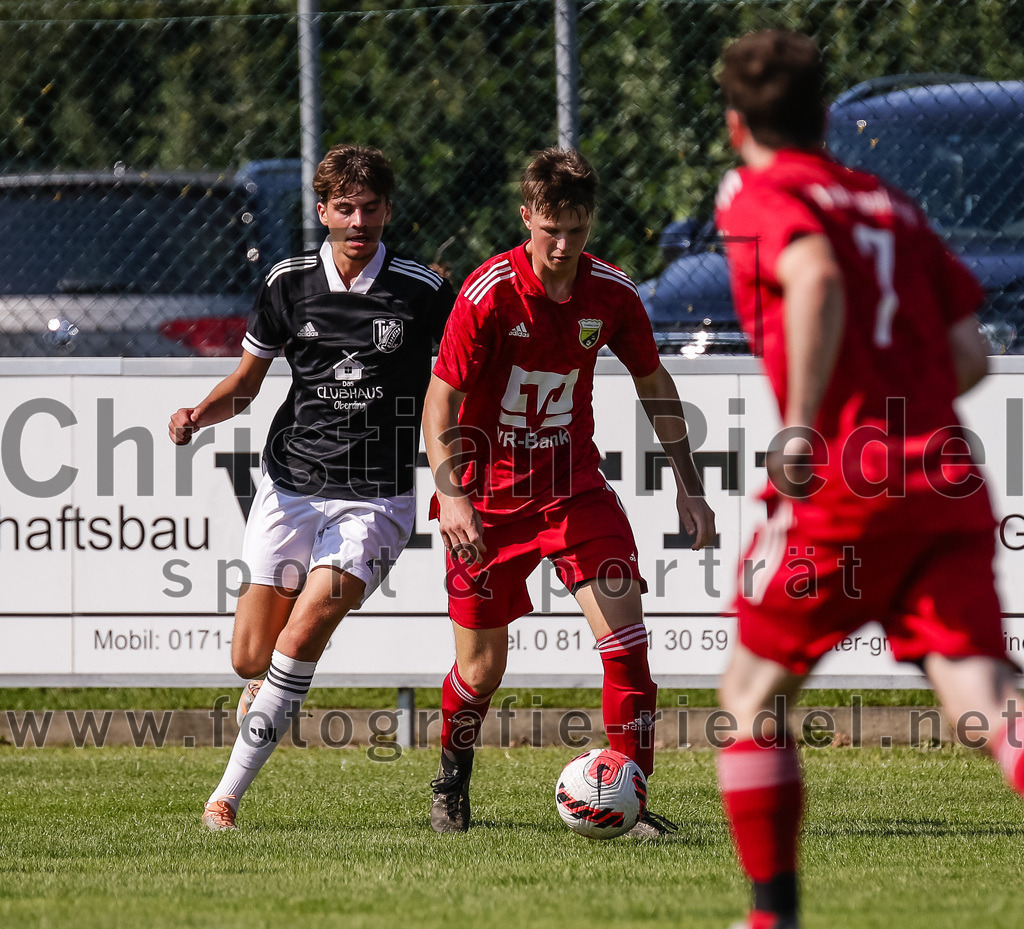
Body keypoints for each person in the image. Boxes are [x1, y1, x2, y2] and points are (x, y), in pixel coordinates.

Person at [713, 30, 1024, 929]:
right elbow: (970, 354)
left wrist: (804, 425)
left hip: (847, 484)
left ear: (736, 125)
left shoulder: (758, 193)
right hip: (944, 476)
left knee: (749, 697)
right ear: (825, 117)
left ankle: (771, 917)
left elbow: (813, 275)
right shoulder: (891, 206)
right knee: (985, 697)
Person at [423, 147, 717, 836]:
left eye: (576, 230)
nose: (562, 245)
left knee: (628, 648)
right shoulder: (488, 293)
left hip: (573, 490)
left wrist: (690, 485)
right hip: (486, 501)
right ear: (527, 215)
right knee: (480, 670)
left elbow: (654, 384)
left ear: (591, 222)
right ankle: (452, 778)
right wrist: (453, 495)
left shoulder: (612, 292)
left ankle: (629, 800)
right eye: (551, 229)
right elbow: (440, 403)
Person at [168, 143, 454, 831]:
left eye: (371, 207)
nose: (359, 221)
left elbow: (454, 389)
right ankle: (264, 695)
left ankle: (224, 798)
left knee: (306, 628)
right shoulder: (286, 284)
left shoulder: (422, 291)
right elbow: (246, 384)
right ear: (322, 211)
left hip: (376, 497)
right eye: (345, 208)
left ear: (388, 210)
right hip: (291, 485)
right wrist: (199, 414)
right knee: (251, 658)